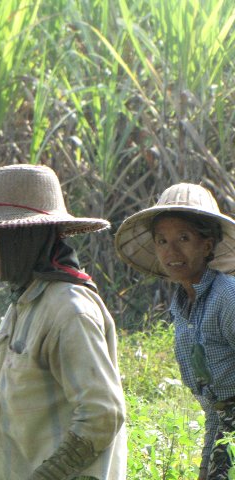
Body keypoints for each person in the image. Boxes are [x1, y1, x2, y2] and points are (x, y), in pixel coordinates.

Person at [0, 164, 127, 479]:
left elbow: (102, 414)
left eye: (1, 237)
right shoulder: (24, 301)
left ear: (32, 238)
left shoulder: (69, 309)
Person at [115, 183, 235, 480]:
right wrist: (209, 460)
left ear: (207, 245)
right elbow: (213, 401)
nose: (172, 250)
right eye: (162, 241)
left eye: (184, 238)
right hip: (220, 422)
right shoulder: (182, 307)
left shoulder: (227, 297)